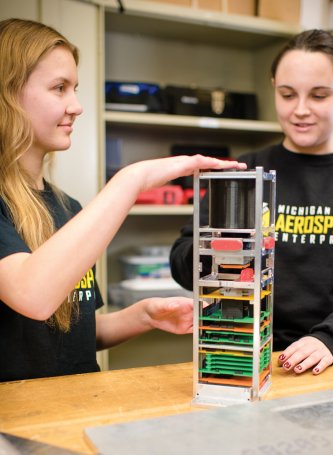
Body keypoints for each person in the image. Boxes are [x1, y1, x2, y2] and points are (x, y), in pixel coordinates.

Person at [0, 18, 246, 382]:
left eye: (75, 88)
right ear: (9, 93)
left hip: (76, 409)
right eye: (59, 88)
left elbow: (76, 334)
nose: (77, 106)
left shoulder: (69, 208)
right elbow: (33, 296)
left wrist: (144, 315)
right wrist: (133, 178)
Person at [170, 29, 333, 375]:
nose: (301, 110)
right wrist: (217, 253)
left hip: (331, 359)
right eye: (287, 94)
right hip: (242, 357)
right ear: (273, 87)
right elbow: (181, 258)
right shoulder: (241, 172)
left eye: (319, 95)